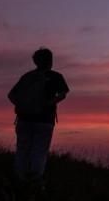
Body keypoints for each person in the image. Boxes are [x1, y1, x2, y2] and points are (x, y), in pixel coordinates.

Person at [8, 47, 70, 184]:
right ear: (49, 61)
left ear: (35, 61)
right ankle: (35, 180)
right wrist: (48, 104)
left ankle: (19, 178)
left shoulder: (27, 77)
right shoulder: (55, 76)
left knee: (22, 148)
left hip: (23, 119)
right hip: (44, 120)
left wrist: (22, 105)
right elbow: (63, 94)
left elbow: (11, 95)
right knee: (40, 150)